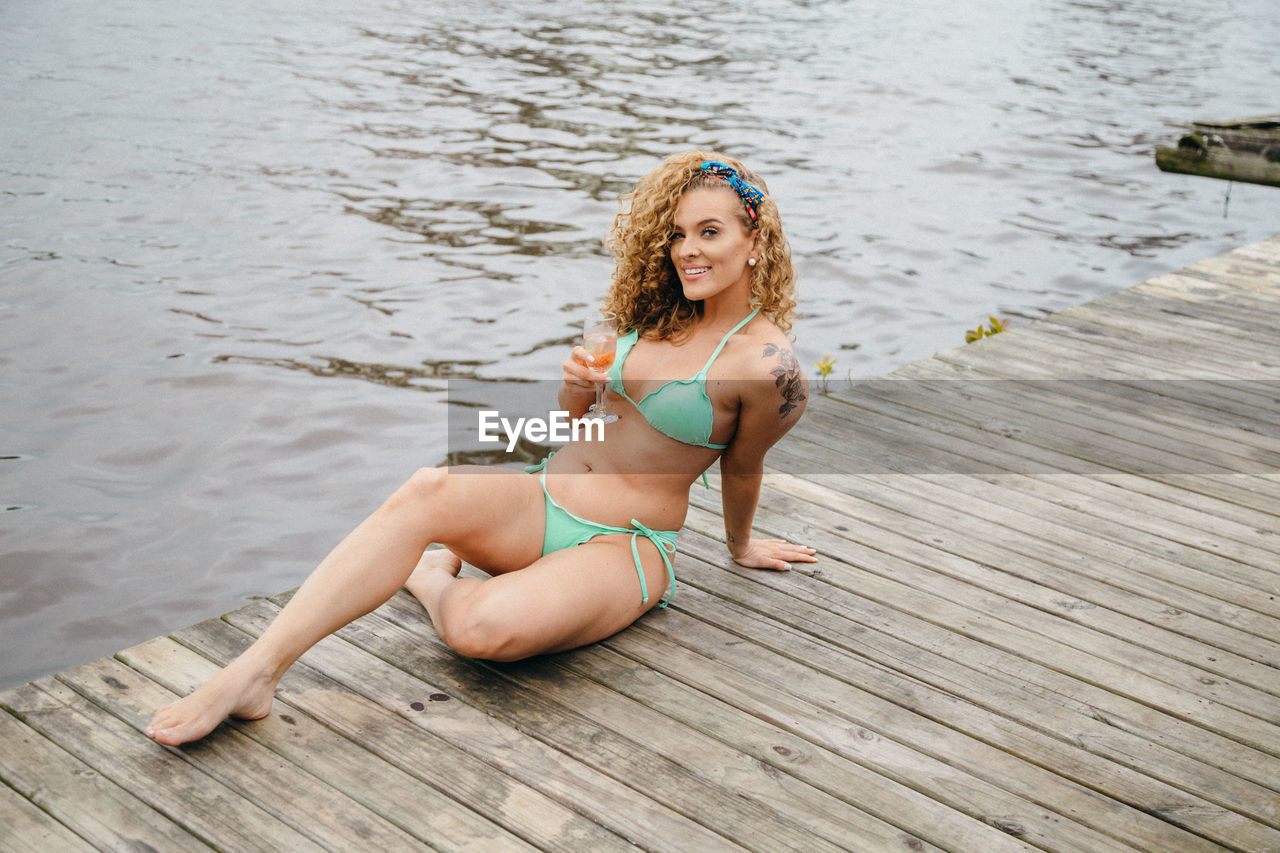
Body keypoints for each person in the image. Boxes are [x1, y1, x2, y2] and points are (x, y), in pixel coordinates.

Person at [146, 150, 816, 746]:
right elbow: (576, 424)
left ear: (755, 240)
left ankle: (433, 576)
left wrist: (740, 546)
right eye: (676, 234)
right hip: (542, 494)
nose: (687, 250)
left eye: (709, 232)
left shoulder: (769, 367)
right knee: (428, 486)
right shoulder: (658, 315)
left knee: (481, 633)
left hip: (625, 542)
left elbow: (744, 465)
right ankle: (252, 673)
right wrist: (574, 389)